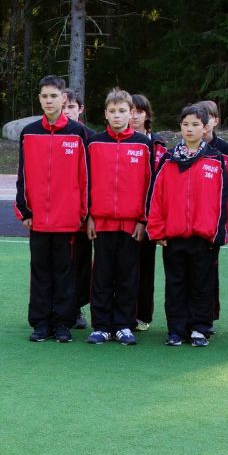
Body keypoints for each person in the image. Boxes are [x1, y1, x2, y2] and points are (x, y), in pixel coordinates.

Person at [145, 104, 228, 347]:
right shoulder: (168, 159)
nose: (190, 129)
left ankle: (199, 329)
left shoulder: (216, 160)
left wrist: (218, 233)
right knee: (175, 285)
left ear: (205, 128)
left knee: (201, 285)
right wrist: (157, 231)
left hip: (203, 238)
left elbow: (223, 199)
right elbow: (157, 197)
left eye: (195, 124)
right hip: (173, 237)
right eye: (185, 124)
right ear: (180, 128)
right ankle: (176, 330)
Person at [15, 75, 90, 343]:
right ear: (39, 99)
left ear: (63, 99)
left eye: (54, 96)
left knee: (64, 273)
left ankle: (62, 324)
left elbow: (85, 176)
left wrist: (83, 213)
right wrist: (25, 211)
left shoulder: (78, 133)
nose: (49, 101)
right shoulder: (29, 132)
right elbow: (22, 175)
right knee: (40, 272)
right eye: (45, 96)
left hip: (67, 219)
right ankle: (40, 323)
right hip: (37, 219)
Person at [84, 89, 153, 346]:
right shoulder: (94, 143)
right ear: (105, 113)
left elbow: (149, 185)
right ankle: (101, 326)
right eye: (112, 111)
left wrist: (143, 220)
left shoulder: (143, 144)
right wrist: (89, 217)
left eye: (122, 111)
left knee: (128, 277)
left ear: (131, 113)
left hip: (131, 225)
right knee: (101, 276)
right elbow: (85, 182)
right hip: (101, 223)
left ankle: (124, 324)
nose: (117, 115)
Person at [196, 100, 228, 331]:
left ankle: (208, 316)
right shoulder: (185, 147)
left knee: (210, 270)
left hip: (214, 223)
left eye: (209, 116)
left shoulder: (225, 149)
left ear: (215, 121)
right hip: (192, 222)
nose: (204, 121)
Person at [129, 94, 167, 332]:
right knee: (124, 268)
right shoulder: (119, 142)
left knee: (145, 267)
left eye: (139, 111)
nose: (134, 116)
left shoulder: (159, 145)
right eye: (131, 111)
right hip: (125, 215)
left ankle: (142, 315)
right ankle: (123, 313)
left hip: (150, 217)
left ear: (147, 115)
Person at [63, 88, 94, 330]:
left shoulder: (92, 138)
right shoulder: (47, 135)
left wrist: (90, 212)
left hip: (83, 215)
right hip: (58, 214)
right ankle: (55, 308)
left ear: (80, 109)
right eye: (63, 107)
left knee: (82, 263)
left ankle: (76, 308)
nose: (66, 112)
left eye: (71, 107)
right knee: (59, 263)